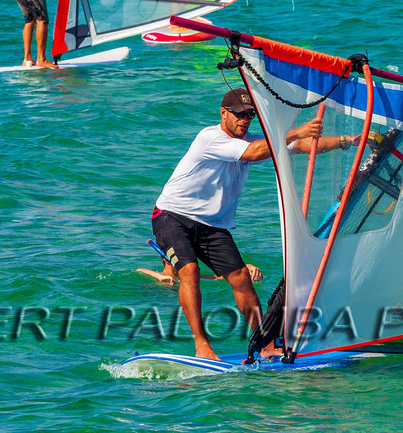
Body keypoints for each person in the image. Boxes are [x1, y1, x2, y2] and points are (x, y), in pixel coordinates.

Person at [151, 87, 358, 362]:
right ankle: (202, 345)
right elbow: (253, 152)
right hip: (172, 215)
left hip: (211, 224)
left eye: (250, 115)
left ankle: (265, 344)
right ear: (223, 113)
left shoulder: (253, 140)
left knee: (241, 277)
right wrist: (295, 132)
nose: (245, 120)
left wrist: (347, 140)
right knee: (189, 271)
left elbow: (301, 147)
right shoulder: (210, 138)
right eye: (239, 114)